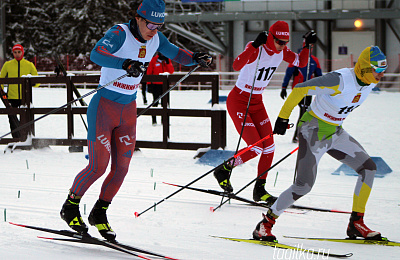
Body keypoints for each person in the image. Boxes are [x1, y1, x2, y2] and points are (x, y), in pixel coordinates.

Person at [60, 0, 212, 242]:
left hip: (128, 110)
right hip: (104, 107)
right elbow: (96, 53)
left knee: (121, 168)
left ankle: (99, 213)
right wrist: (124, 63)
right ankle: (70, 207)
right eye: (151, 23)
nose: (154, 29)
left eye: (159, 25)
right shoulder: (120, 33)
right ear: (139, 18)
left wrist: (196, 56)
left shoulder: (156, 39)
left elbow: (178, 54)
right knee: (98, 166)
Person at [253, 46, 387, 242]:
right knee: (303, 186)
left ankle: (356, 223)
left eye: (383, 71)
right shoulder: (339, 80)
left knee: (368, 168)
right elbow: (301, 89)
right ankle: (265, 225)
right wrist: (282, 118)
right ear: (365, 68)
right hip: (313, 131)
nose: (380, 76)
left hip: (335, 131)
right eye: (377, 71)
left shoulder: (369, 82)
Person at [213, 21, 316, 205]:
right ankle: (224, 169)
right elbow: (236, 65)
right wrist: (253, 46)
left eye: (285, 42)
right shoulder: (257, 49)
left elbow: (301, 62)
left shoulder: (282, 51)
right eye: (279, 42)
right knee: (256, 147)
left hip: (257, 102)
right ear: (270, 38)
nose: (282, 46)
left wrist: (306, 46)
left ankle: (259, 190)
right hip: (239, 101)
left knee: (269, 147)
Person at [281, 43, 322, 143]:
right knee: (303, 111)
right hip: (298, 90)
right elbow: (288, 74)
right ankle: (298, 136)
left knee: (306, 112)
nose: (310, 49)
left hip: (309, 90)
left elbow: (319, 75)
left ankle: (300, 135)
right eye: (308, 47)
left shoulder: (314, 60)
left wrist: (321, 88)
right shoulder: (297, 59)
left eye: (311, 47)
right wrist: (284, 87)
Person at [0, 44, 40, 138]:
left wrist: (33, 83)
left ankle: (28, 136)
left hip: (25, 96)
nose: (17, 54)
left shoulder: (29, 65)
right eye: (15, 52)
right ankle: (16, 138)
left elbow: (37, 80)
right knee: (12, 117)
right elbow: (1, 79)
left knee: (26, 117)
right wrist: (3, 94)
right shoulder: (7, 65)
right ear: (13, 53)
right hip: (11, 96)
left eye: (19, 52)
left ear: (23, 52)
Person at [146, 52, 174, 125]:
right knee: (155, 102)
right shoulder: (153, 60)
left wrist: (168, 63)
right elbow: (149, 72)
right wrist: (149, 84)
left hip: (165, 85)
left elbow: (171, 71)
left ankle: (164, 120)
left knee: (165, 103)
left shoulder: (167, 60)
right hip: (155, 85)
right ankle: (154, 120)